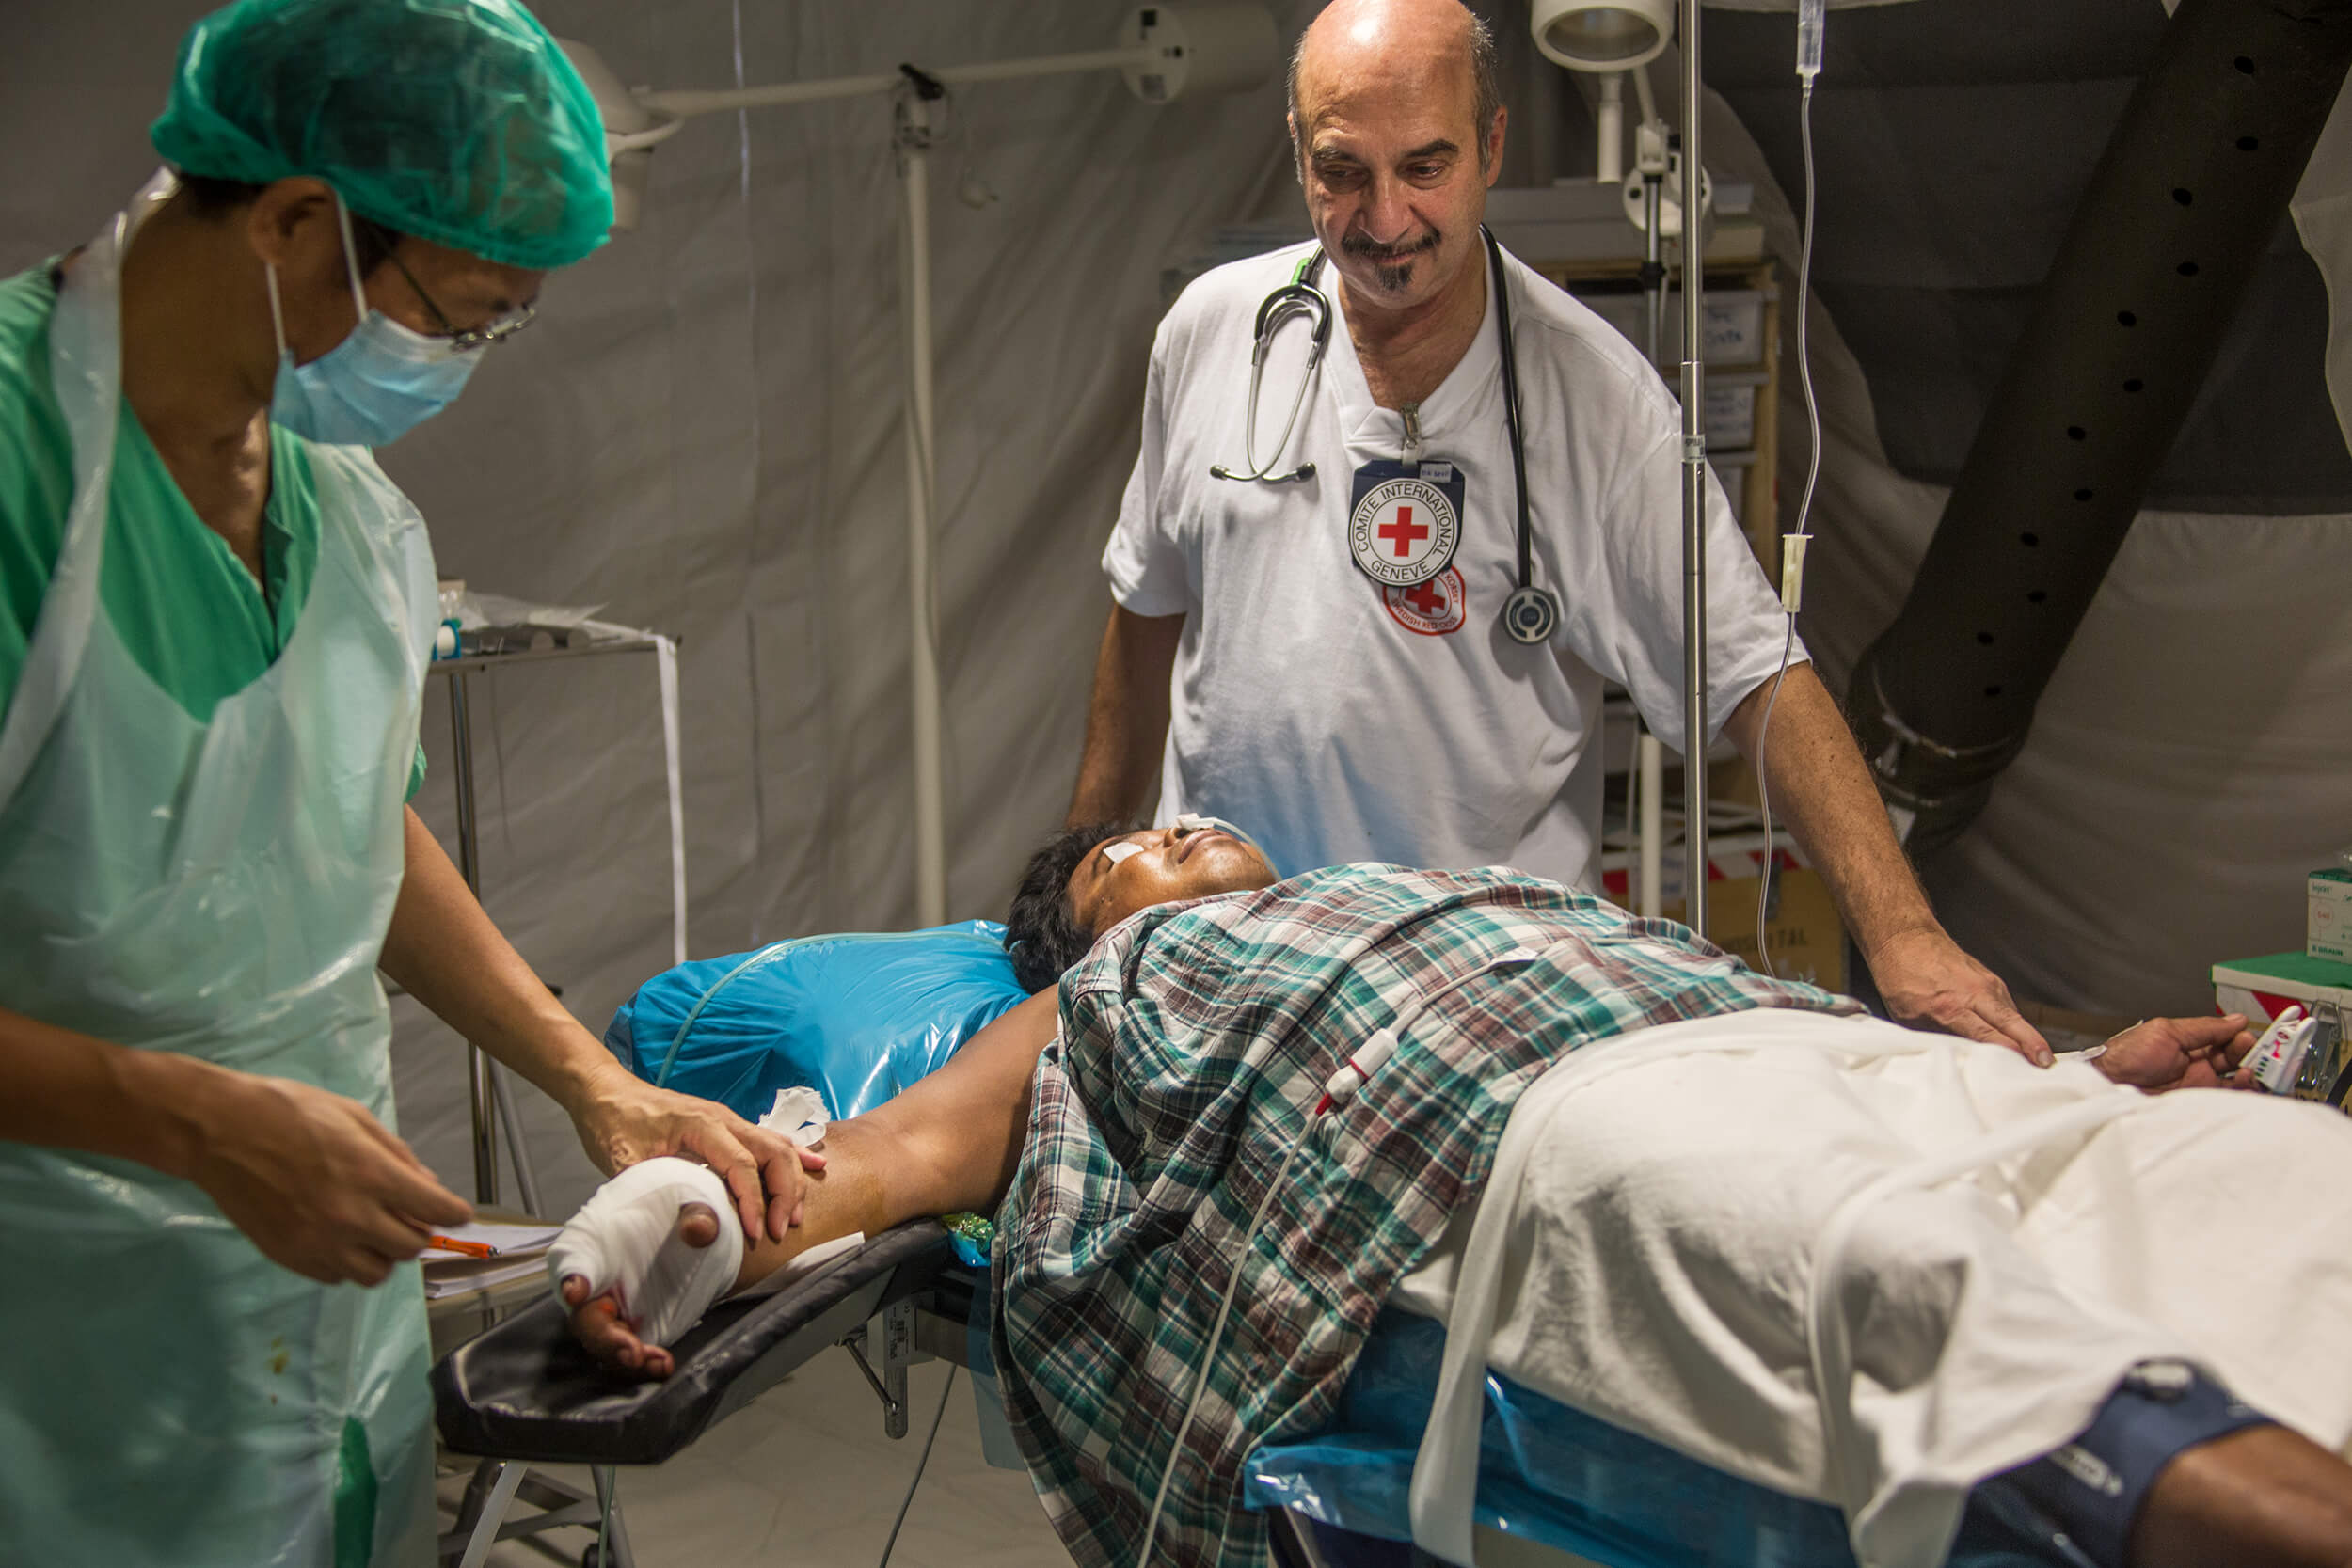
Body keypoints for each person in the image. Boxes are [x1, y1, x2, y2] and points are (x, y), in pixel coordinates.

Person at [554, 819, 2352, 1568]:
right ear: (1079, 933)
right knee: (1900, 1278)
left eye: (1192, 816)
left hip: (1837, 1063)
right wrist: (673, 1217)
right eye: (1129, 852)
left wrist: (2063, 1069)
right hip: (1560, 1130)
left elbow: (1748, 992)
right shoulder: (1095, 1002)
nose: (1181, 833)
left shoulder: (1456, 878)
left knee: (2266, 1171)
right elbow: (871, 1164)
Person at [0, 3, 817, 1562]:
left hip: (315, 1333)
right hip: (55, 1354)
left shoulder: (351, 522)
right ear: (300, 222)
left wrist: (597, 1081)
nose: (463, 363)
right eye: (462, 316)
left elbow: (337, 825)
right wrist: (192, 1121)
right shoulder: (18, 474)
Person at [1065, 0, 2052, 1065]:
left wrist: (1904, 938)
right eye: (1344, 170)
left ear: (1491, 145)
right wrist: (1073, 881)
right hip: (1231, 969)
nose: (1385, 218)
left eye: (1426, 167)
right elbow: (1144, 613)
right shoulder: (1213, 332)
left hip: (1471, 991)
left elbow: (1754, 673)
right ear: (1297, 151)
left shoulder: (1599, 403)